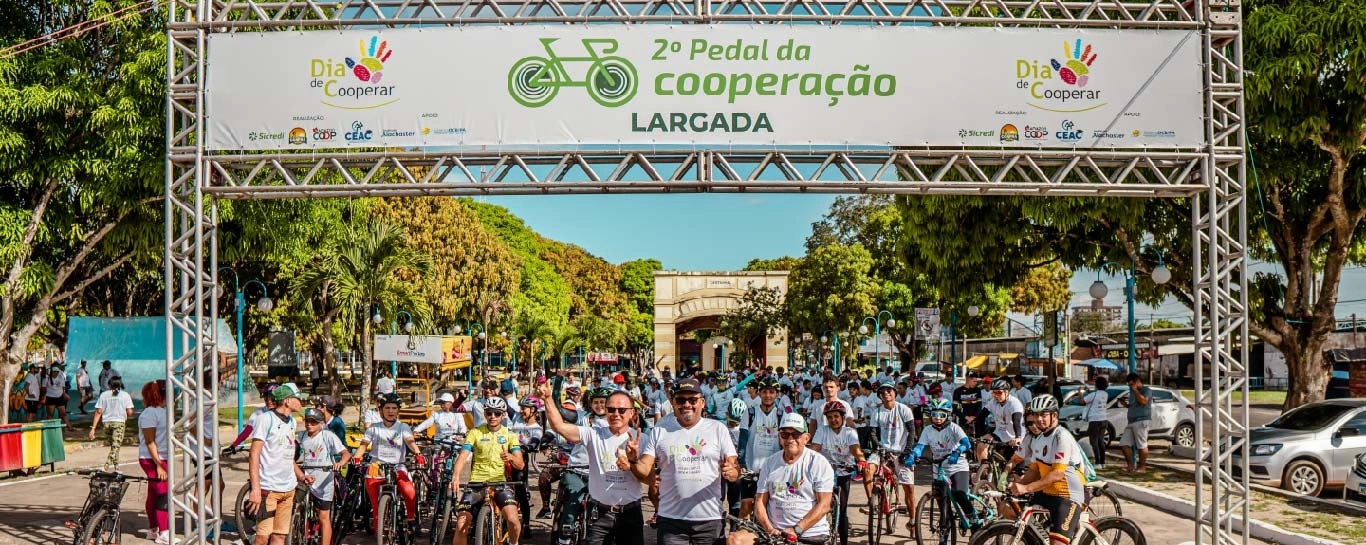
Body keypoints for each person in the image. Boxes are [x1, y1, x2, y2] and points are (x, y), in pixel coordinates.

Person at [631, 378, 740, 545]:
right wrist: (633, 461)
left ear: (702, 403)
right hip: (671, 520)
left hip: (710, 519)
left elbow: (734, 467)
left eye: (693, 399)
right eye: (681, 400)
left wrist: (732, 472)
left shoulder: (718, 429)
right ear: (673, 403)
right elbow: (645, 468)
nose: (687, 404)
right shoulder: (660, 430)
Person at [537, 380, 644, 545]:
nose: (616, 413)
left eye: (621, 410)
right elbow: (559, 425)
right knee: (571, 504)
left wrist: (633, 463)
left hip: (630, 513)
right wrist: (547, 398)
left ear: (632, 413)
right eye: (611, 409)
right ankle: (564, 536)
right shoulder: (591, 430)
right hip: (591, 497)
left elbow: (652, 479)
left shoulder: (642, 438)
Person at [729, 413, 834, 545]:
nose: (790, 439)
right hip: (774, 534)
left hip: (809, 534)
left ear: (806, 438)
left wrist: (796, 529)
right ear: (779, 437)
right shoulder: (769, 463)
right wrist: (769, 529)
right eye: (785, 434)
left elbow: (824, 505)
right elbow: (760, 502)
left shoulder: (818, 462)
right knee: (735, 539)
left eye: (796, 434)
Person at [1007, 395, 1087, 545]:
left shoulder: (1061, 436)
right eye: (1036, 415)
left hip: (1067, 497)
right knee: (1011, 510)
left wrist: (1026, 488)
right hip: (1048, 492)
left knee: (1056, 543)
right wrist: (1016, 487)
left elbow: (1057, 474)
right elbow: (1034, 471)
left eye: (1043, 415)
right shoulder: (1039, 438)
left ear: (1054, 415)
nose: (1039, 419)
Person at [451, 396, 525, 545]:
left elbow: (520, 464)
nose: (493, 416)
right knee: (461, 524)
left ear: (503, 415)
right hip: (476, 483)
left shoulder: (510, 435)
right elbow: (463, 456)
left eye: (497, 413)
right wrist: (456, 476)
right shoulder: (475, 432)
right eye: (489, 413)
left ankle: (514, 543)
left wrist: (510, 456)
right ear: (484, 414)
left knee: (513, 519)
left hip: (499, 483)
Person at [904, 398, 983, 531]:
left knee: (958, 493)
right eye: (934, 415)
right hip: (939, 467)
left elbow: (966, 443)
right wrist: (913, 455)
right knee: (941, 500)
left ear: (948, 415)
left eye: (942, 415)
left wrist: (957, 452)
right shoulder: (928, 430)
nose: (938, 418)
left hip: (957, 465)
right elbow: (920, 446)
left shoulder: (954, 428)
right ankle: (945, 526)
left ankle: (973, 517)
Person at [352, 393, 423, 535]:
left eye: (394, 408)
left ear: (398, 410)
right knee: (374, 501)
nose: (391, 411)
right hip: (376, 467)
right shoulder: (373, 428)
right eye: (387, 408)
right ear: (380, 410)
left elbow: (410, 441)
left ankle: (411, 519)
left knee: (409, 492)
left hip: (398, 466)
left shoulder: (403, 427)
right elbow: (363, 445)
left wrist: (418, 454)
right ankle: (379, 529)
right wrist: (357, 457)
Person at [247, 383, 305, 545]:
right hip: (269, 490)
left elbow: (287, 454)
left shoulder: (292, 422)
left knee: (280, 536)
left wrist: (300, 475)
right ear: (287, 401)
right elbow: (254, 455)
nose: (301, 402)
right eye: (298, 399)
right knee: (262, 537)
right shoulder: (265, 419)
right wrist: (256, 489)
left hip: (288, 489)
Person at [808, 400, 865, 545]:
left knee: (843, 510)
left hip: (844, 472)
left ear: (843, 418)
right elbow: (815, 447)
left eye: (836, 416)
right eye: (830, 417)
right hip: (825, 473)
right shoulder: (822, 430)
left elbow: (855, 449)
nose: (833, 420)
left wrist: (861, 461)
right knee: (816, 506)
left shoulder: (850, 432)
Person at [866, 381, 917, 532]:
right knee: (867, 470)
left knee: (909, 489)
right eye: (883, 392)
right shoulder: (878, 412)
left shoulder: (904, 410)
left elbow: (912, 431)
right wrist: (881, 447)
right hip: (883, 450)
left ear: (895, 392)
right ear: (880, 396)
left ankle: (913, 521)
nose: (886, 393)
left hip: (901, 451)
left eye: (889, 390)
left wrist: (907, 451)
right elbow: (873, 433)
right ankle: (873, 503)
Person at [295, 407, 350, 545]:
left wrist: (340, 463)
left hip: (324, 480)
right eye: (307, 421)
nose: (309, 424)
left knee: (323, 517)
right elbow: (292, 454)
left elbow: (346, 453)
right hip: (306, 478)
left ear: (321, 424)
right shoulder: (301, 436)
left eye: (314, 422)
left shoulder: (328, 436)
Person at [739, 378, 786, 518]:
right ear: (759, 393)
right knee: (746, 507)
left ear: (777, 394)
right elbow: (743, 439)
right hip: (751, 468)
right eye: (764, 392)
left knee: (771, 510)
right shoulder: (750, 413)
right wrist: (741, 463)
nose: (768, 395)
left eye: (771, 392)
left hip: (774, 469)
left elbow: (785, 442)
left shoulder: (781, 415)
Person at [138, 380, 172, 544]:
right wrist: (159, 465)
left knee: (154, 494)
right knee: (163, 495)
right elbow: (149, 441)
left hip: (160, 458)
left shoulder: (162, 411)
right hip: (152, 459)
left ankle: (153, 529)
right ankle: (163, 533)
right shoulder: (149, 413)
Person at [89, 376, 135, 469]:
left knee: (114, 445)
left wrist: (93, 428)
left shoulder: (103, 395)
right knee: (115, 446)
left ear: (109, 385)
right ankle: (107, 464)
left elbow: (98, 412)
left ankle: (116, 467)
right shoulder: (125, 395)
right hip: (119, 422)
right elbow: (130, 412)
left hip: (106, 423)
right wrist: (125, 414)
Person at [978, 379, 1026, 465]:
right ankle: (984, 471)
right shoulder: (993, 402)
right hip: (1000, 432)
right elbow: (981, 417)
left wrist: (1018, 437)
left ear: (1006, 392)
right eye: (994, 393)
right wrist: (980, 435)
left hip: (1014, 435)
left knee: (1011, 465)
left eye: (998, 393)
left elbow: (1017, 421)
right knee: (981, 444)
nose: (996, 396)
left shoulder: (1014, 403)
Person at [1120, 373, 1152, 472]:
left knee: (1141, 445)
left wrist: (1135, 390)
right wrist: (1126, 405)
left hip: (1142, 420)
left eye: (1132, 384)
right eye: (1129, 385)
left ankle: (1142, 467)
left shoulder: (1146, 390)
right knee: (1123, 443)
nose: (1130, 387)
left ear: (1138, 381)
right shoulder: (1133, 393)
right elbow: (1134, 405)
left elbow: (1143, 401)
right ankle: (1130, 465)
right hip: (1131, 421)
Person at [1080, 376, 1110, 468]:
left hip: (1094, 420)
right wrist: (1090, 392)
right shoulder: (1105, 394)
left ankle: (1097, 463)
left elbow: (1082, 401)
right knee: (1101, 441)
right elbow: (1095, 398)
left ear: (1097, 385)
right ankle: (1102, 462)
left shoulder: (1094, 394)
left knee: (1094, 442)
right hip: (1104, 419)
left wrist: (1079, 393)